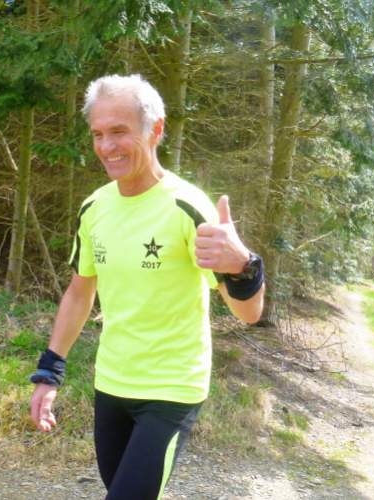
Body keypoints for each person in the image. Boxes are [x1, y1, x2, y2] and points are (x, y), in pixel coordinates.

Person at [29, 74, 265, 500]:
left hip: (172, 390)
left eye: (119, 131)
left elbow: (249, 314)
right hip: (112, 384)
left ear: (155, 130)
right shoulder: (94, 207)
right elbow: (80, 293)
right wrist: (50, 370)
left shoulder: (188, 206)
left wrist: (244, 267)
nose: (107, 146)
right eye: (98, 134)